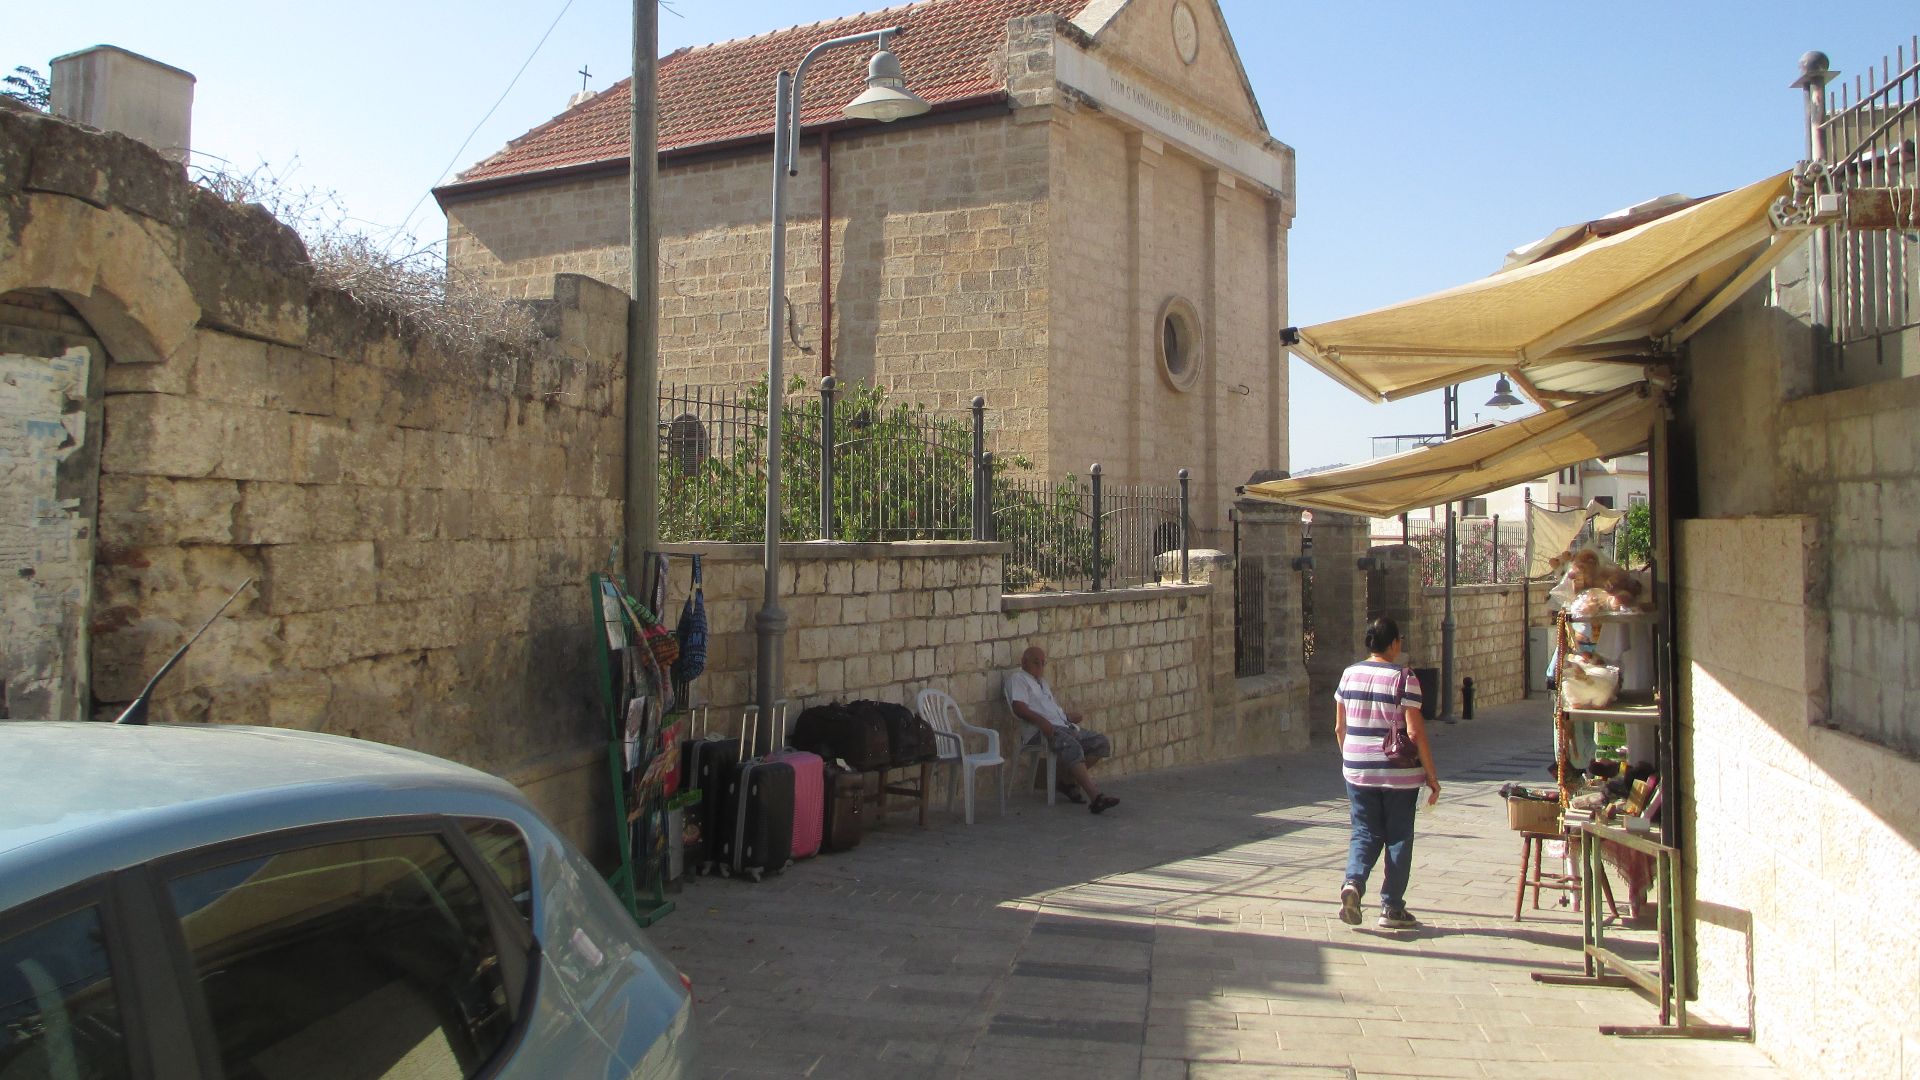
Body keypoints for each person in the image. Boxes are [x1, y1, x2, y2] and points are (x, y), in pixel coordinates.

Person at [1334, 616, 1440, 930]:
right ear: (1393, 643)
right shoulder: (1404, 678)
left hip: (1357, 767)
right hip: (1398, 773)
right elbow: (1415, 731)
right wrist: (1431, 776)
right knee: (1398, 836)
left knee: (1364, 832)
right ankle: (1392, 907)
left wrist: (1352, 761)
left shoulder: (1349, 674)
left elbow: (1339, 727)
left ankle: (1353, 883)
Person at [1003, 645, 1119, 814]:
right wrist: (1041, 722)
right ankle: (1095, 797)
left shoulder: (1043, 683)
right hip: (1041, 730)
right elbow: (1019, 708)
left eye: (1043, 663)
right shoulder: (1018, 679)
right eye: (1036, 662)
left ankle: (1067, 781)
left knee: (1100, 743)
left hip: (1063, 725)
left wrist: (1067, 716)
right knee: (1073, 747)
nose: (1040, 667)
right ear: (1024, 662)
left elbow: (1048, 708)